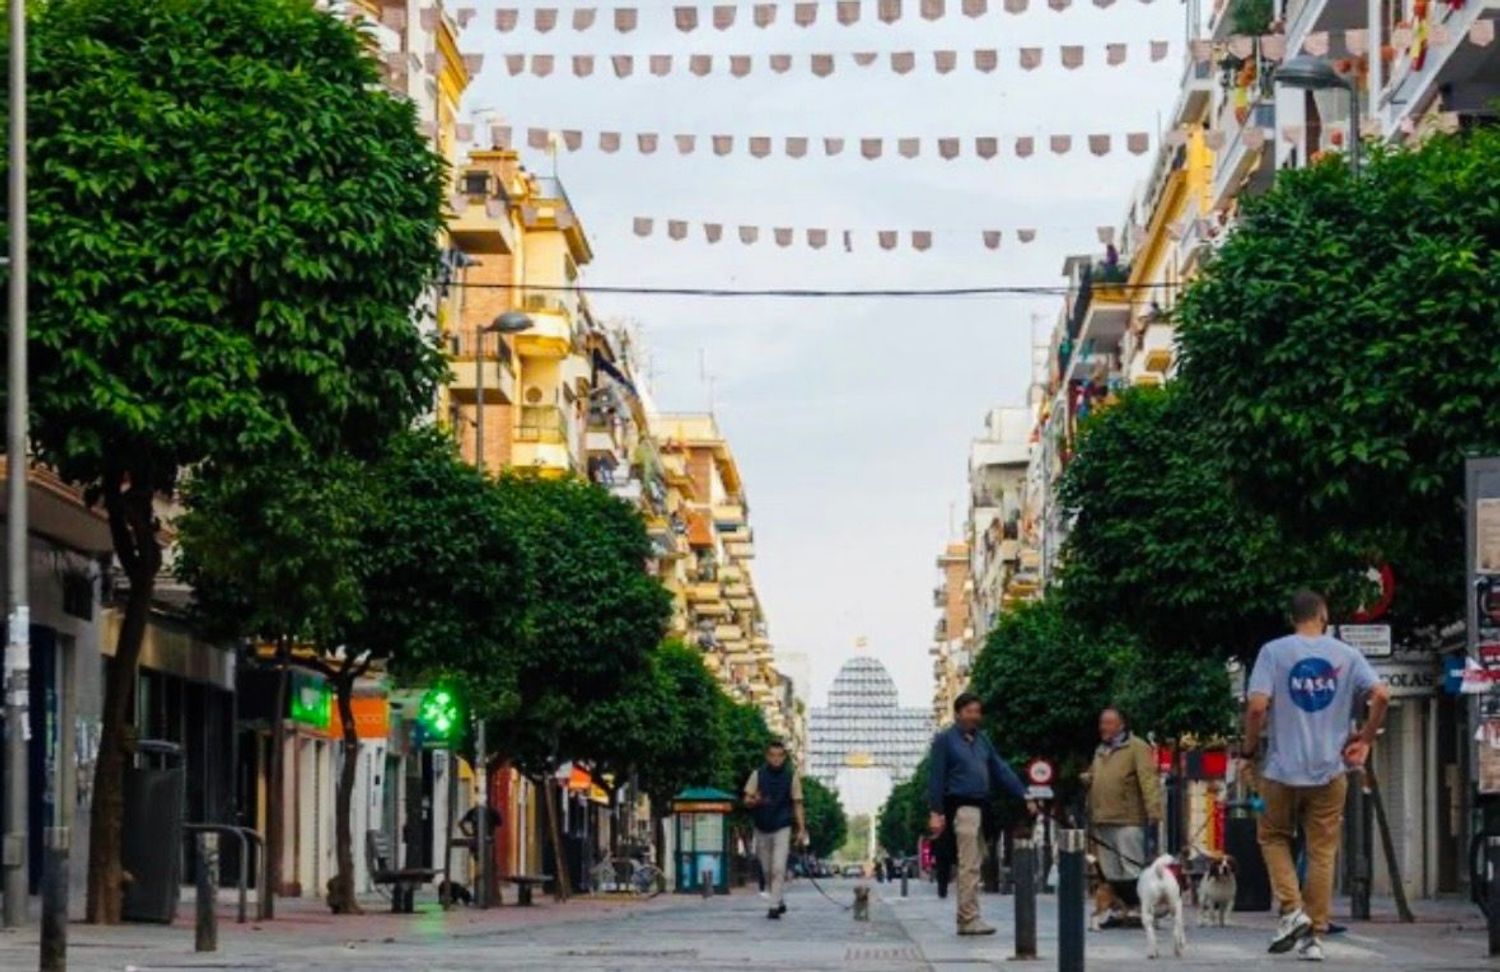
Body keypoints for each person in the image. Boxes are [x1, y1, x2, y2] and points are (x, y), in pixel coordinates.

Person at [1241, 590, 1389, 962]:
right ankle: (1315, 936)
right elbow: (1382, 695)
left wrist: (1247, 749)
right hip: (1330, 769)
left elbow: (1257, 707)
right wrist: (1366, 740)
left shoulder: (1273, 652)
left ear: (1293, 617)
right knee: (1322, 850)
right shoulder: (1347, 655)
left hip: (1280, 769)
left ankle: (1293, 912)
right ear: (1323, 614)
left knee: (1273, 837)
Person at [927, 692, 1033, 936]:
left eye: (977, 711)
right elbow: (936, 778)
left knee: (975, 862)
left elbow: (1000, 768)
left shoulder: (982, 740)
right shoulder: (945, 740)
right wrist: (936, 812)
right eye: (969, 711)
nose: (975, 716)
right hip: (961, 808)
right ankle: (968, 918)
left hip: (980, 808)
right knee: (969, 864)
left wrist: (1023, 793)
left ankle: (970, 916)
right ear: (958, 713)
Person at [1085, 706, 1162, 921]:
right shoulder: (1100, 750)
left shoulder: (1137, 747)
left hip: (1128, 819)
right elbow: (1098, 775)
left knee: (1132, 868)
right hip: (1102, 819)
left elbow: (1148, 779)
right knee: (1110, 872)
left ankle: (1139, 909)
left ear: (1121, 725)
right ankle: (1119, 910)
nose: (1103, 728)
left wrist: (1153, 809)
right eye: (1102, 723)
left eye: (1108, 723)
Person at [743, 739, 807, 921]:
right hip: (761, 826)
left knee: (778, 867)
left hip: (782, 826)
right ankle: (778, 899)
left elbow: (798, 803)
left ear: (784, 757)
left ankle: (773, 907)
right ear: (767, 756)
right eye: (772, 755)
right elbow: (746, 799)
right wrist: (753, 800)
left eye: (779, 756)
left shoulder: (791, 776)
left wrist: (801, 829)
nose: (776, 759)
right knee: (767, 870)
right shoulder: (757, 775)